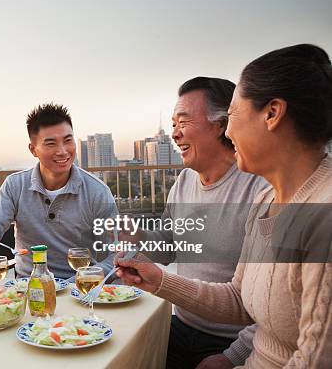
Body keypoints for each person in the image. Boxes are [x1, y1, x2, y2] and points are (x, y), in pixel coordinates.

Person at [116, 44, 332, 368]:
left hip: (232, 346)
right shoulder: (268, 201)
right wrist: (155, 274)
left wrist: (233, 358)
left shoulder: (317, 212)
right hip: (187, 326)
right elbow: (240, 297)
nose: (230, 130)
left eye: (232, 115)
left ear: (272, 113)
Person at [145, 77, 269, 368]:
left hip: (235, 340)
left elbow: (275, 304)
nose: (174, 134)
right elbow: (165, 248)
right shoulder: (185, 180)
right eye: (173, 124)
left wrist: (232, 356)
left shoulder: (261, 188)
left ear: (221, 124)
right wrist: (134, 238)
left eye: (183, 122)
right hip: (182, 323)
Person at [0, 103, 117, 279]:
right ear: (33, 150)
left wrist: (87, 277)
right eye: (51, 143)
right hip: (28, 286)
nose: (63, 151)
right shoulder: (15, 185)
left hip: (79, 288)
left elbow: (116, 252)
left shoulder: (97, 191)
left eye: (68, 140)